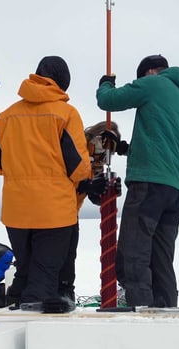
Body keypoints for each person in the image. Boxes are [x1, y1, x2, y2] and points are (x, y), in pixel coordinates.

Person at [0, 56, 98, 310]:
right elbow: (78, 166)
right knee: (44, 282)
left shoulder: (6, 116)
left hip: (16, 213)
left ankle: (11, 321)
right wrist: (88, 183)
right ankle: (30, 337)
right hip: (54, 213)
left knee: (25, 274)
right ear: (62, 82)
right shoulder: (66, 114)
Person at [96, 54, 179, 308]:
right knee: (161, 257)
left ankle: (139, 312)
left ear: (150, 72)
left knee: (134, 253)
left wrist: (105, 84)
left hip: (148, 184)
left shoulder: (153, 84)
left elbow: (108, 100)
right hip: (174, 189)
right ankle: (165, 308)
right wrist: (125, 148)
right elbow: (160, 144)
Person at [56, 120, 122, 303]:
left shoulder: (97, 161)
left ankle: (65, 295)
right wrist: (86, 185)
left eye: (110, 147)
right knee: (54, 260)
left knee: (68, 260)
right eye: (102, 141)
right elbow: (60, 177)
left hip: (71, 212)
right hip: (54, 210)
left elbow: (94, 193)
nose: (103, 149)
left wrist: (107, 191)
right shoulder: (75, 147)